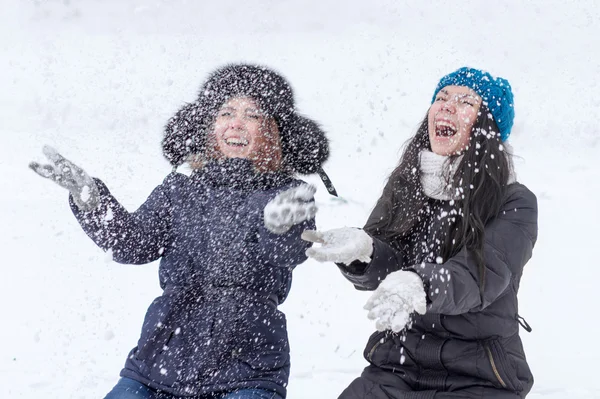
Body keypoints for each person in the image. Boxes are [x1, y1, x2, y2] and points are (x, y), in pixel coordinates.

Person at [29, 64, 334, 399]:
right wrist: (92, 201)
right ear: (210, 126)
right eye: (225, 112)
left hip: (247, 371)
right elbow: (134, 244)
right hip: (158, 365)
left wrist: (277, 225)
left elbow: (288, 252)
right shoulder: (180, 187)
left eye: (252, 115)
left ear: (272, 130)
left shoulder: (290, 195)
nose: (235, 122)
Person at [303, 67, 537, 398]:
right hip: (397, 366)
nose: (446, 106)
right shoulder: (406, 185)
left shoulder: (514, 201)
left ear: (487, 128)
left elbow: (480, 275)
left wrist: (420, 284)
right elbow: (389, 261)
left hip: (480, 376)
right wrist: (365, 253)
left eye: (465, 102)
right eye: (441, 98)